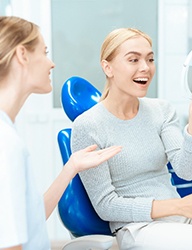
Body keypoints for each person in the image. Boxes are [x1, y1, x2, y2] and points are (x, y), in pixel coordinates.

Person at [71, 27, 192, 250]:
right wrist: (179, 206)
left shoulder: (161, 110)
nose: (145, 67)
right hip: (139, 228)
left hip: (180, 215)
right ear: (107, 67)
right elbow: (106, 206)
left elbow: (186, 171)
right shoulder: (88, 126)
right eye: (133, 60)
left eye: (150, 59)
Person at [0, 16, 121, 250]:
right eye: (44, 52)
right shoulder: (6, 144)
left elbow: (31, 219)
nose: (51, 63)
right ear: (22, 55)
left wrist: (72, 167)